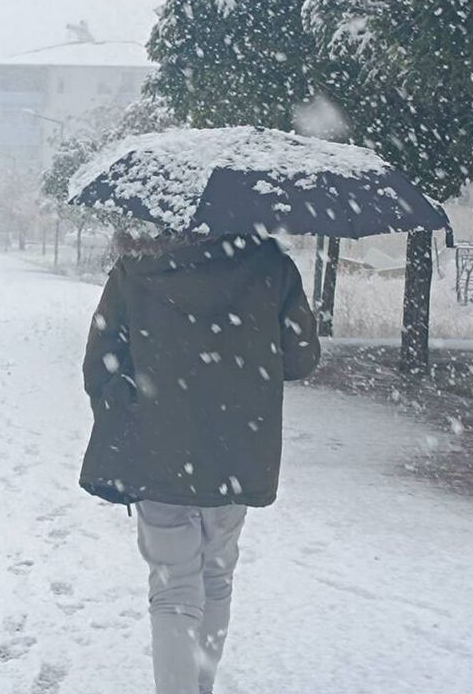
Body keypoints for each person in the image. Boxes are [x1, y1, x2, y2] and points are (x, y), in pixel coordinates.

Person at [80, 227, 320, 694]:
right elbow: (299, 359)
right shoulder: (270, 266)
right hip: (239, 452)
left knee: (172, 590)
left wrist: (131, 410)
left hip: (157, 452)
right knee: (216, 576)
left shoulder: (136, 268)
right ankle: (200, 686)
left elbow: (99, 364)